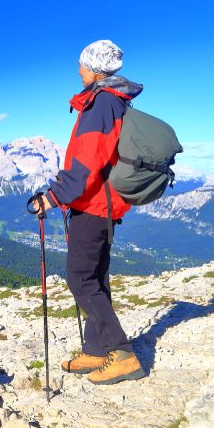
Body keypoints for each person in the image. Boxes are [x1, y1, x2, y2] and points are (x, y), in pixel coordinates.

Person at [31, 39, 146, 385]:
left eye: (81, 65)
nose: (77, 70)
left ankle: (122, 352)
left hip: (94, 205)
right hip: (103, 205)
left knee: (80, 279)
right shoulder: (111, 101)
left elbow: (86, 162)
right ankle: (96, 349)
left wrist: (53, 197)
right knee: (95, 278)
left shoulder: (100, 104)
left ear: (95, 69)